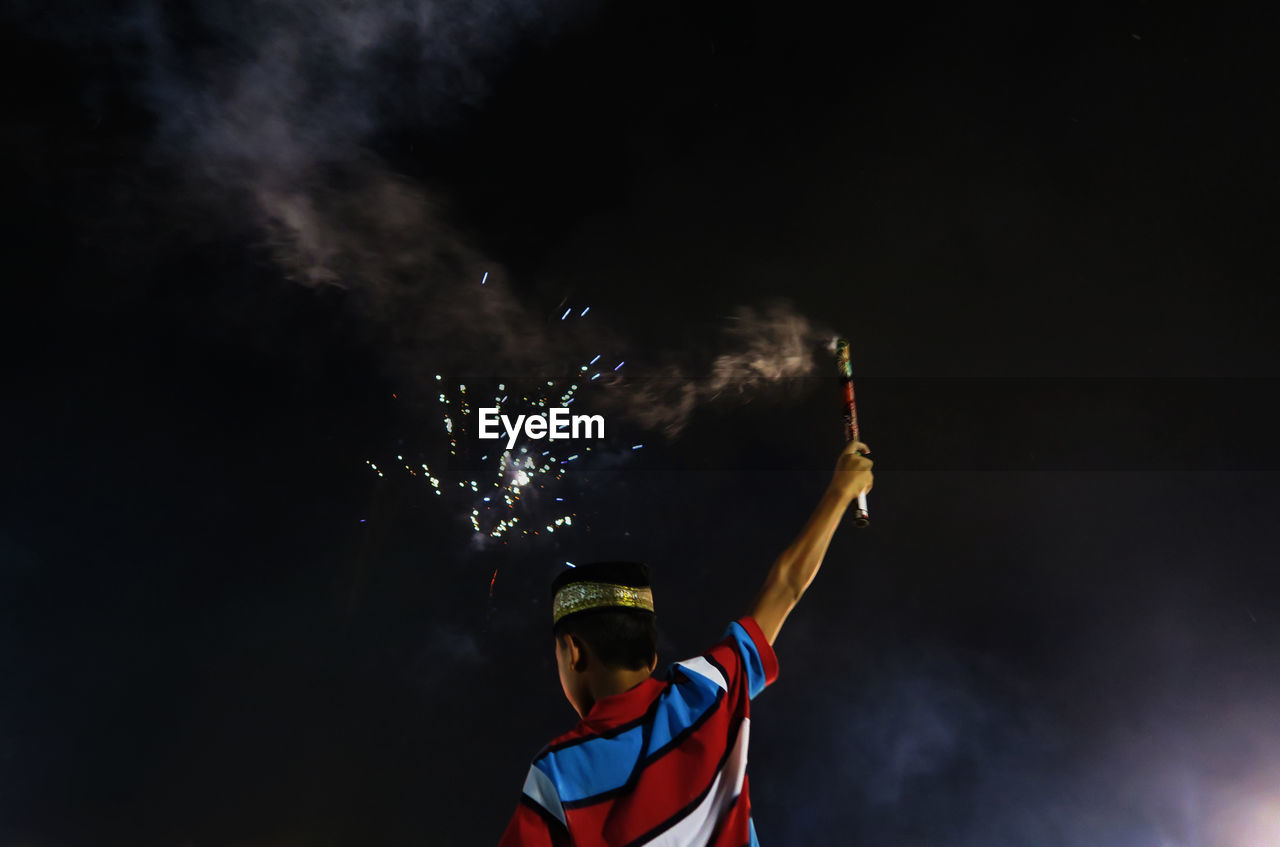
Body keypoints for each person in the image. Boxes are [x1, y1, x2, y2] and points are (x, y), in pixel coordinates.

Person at [498, 441, 874, 846]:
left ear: (573, 651)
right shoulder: (706, 692)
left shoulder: (557, 774)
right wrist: (839, 492)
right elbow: (786, 584)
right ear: (651, 654)